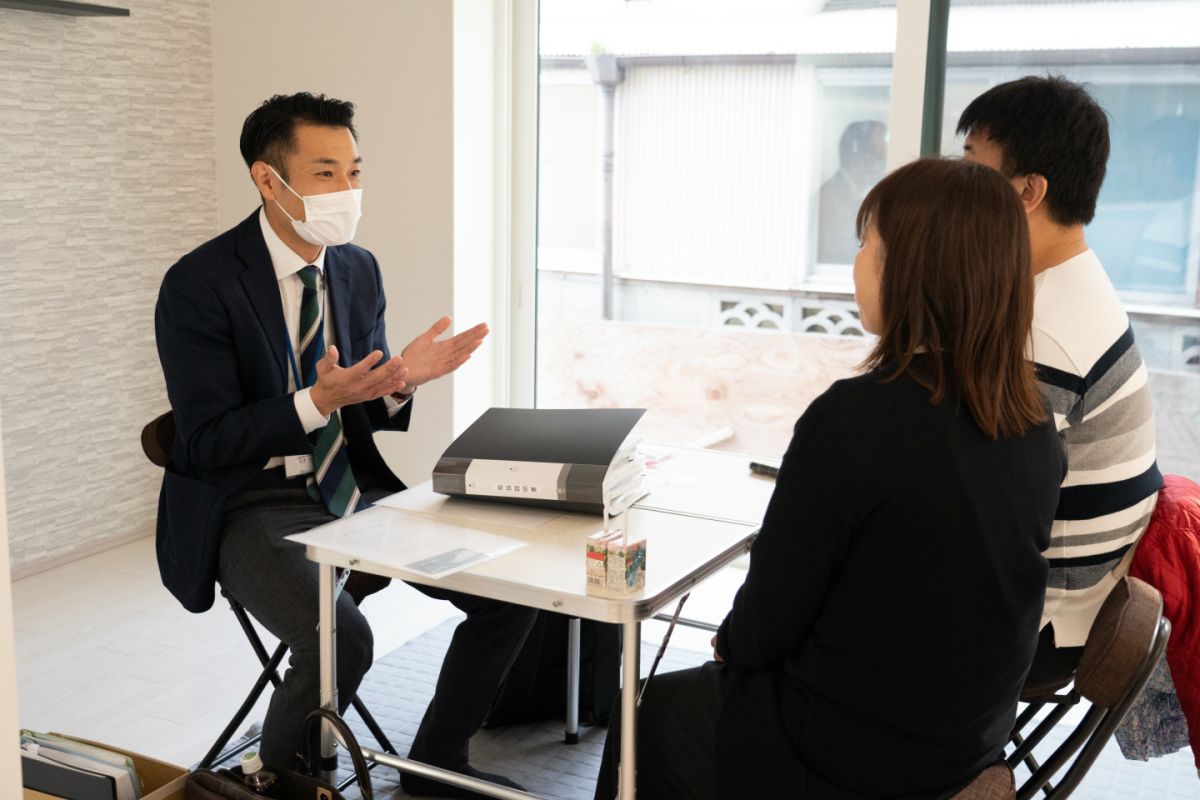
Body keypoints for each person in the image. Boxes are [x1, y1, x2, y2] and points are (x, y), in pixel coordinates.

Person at [593, 157, 1066, 799]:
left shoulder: (859, 417)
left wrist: (732, 646)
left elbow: (770, 615)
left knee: (648, 711)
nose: (858, 261)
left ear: (911, 269)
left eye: (868, 243)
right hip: (962, 742)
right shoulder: (1033, 424)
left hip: (846, 753)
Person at [154, 92, 536, 798]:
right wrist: (315, 401)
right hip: (249, 502)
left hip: (353, 489)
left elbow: (364, 411)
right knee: (342, 638)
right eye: (325, 173)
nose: (347, 190)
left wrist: (395, 383)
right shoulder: (198, 285)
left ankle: (437, 763)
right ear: (268, 180)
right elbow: (205, 442)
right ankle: (279, 783)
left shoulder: (356, 268)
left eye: (354, 171)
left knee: (512, 596)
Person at [959, 76, 1162, 689]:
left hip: (1038, 628)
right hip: (1072, 601)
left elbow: (983, 513)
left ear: (1027, 191)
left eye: (972, 170)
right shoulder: (1072, 278)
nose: (956, 189)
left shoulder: (1042, 334)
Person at [816, 120, 887, 264]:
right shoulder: (829, 197)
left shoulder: (865, 198)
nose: (882, 163)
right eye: (877, 154)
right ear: (855, 156)